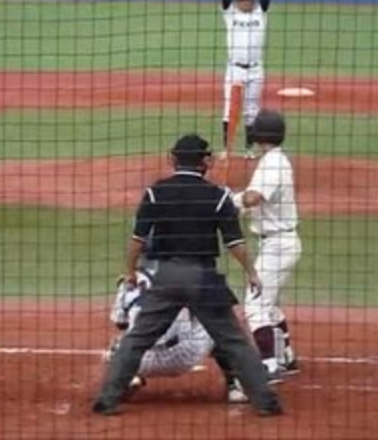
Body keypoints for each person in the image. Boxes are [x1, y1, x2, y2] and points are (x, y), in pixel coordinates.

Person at [91, 133, 282, 416]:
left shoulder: (155, 192)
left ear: (173, 159)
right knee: (233, 340)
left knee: (136, 340)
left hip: (166, 277)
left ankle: (107, 400)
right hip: (203, 277)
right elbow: (235, 244)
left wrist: (129, 272)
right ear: (205, 161)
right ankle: (265, 403)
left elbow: (137, 241)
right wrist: (251, 272)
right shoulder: (219, 196)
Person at [104, 267, 249, 403]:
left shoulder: (127, 281)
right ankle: (234, 386)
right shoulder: (186, 274)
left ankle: (128, 378)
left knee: (118, 343)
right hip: (186, 355)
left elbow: (121, 324)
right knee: (218, 325)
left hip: (140, 361)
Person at [230, 109, 302, 381]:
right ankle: (285, 357)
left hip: (278, 245)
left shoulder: (272, 164)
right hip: (280, 243)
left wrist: (231, 200)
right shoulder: (276, 160)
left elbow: (254, 198)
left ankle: (269, 366)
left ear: (259, 135)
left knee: (255, 306)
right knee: (268, 304)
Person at [219, 0, 270, 159]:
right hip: (234, 69)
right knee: (229, 108)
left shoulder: (260, 13)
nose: (244, 2)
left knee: (251, 111)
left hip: (256, 69)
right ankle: (226, 148)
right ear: (236, 1)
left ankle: (249, 149)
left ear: (252, 0)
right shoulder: (230, 13)